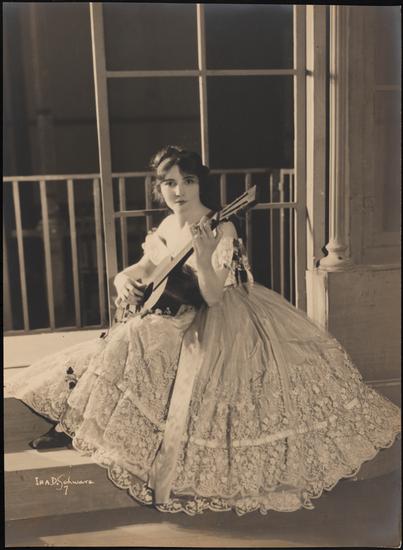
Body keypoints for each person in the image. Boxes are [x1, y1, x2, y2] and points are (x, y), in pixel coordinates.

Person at [6, 146, 401, 516]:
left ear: (200, 183)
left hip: (221, 316)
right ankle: (74, 422)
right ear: (159, 187)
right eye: (170, 182)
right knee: (124, 339)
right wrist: (122, 279)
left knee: (134, 339)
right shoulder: (167, 223)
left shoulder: (221, 226)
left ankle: (75, 426)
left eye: (188, 181)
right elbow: (146, 267)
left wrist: (206, 253)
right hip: (178, 311)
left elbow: (213, 295)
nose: (179, 191)